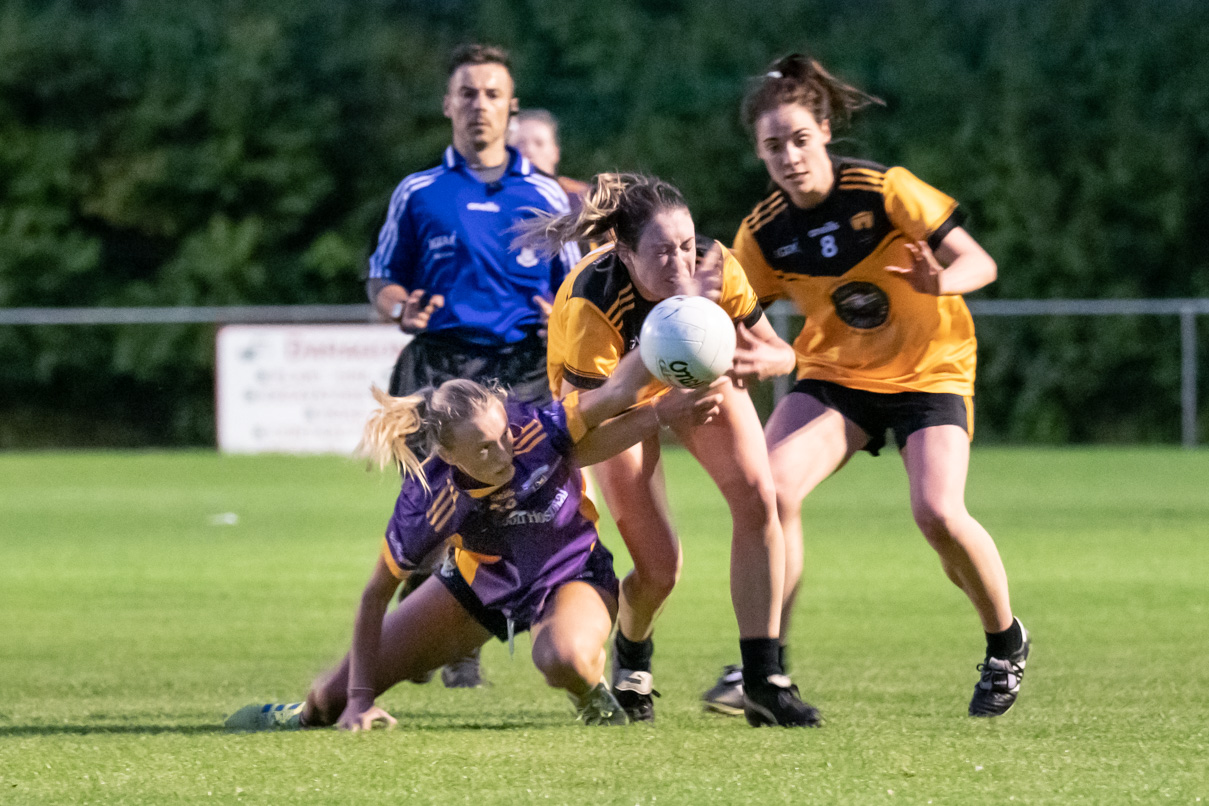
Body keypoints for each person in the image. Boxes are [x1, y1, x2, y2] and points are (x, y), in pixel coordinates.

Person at [702, 53, 1029, 719]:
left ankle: (1005, 641)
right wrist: (707, 323)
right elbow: (738, 320)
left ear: (823, 128)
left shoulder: (884, 190)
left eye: (798, 138)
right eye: (772, 147)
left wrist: (940, 280)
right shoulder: (762, 232)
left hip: (929, 367)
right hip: (835, 375)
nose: (788, 156)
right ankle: (763, 669)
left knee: (937, 513)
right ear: (758, 154)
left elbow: (979, 261)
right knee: (770, 493)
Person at [224, 352, 727, 731]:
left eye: (502, 435)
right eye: (483, 448)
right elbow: (374, 595)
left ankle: (593, 697)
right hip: (476, 591)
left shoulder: (533, 426)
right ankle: (296, 713)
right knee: (328, 702)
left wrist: (669, 357)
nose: (503, 452)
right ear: (447, 453)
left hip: (572, 573)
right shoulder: (429, 500)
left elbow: (618, 393)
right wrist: (358, 701)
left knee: (563, 658)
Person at [526, 172, 822, 727]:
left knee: (759, 499)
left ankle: (764, 679)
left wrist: (771, 362)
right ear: (623, 250)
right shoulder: (594, 303)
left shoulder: (715, 267)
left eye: (687, 244)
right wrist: (660, 412)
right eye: (662, 252)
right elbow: (577, 445)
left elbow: (782, 353)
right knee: (661, 568)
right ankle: (633, 659)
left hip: (696, 380)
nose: (683, 265)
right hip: (615, 402)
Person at [365, 44, 581, 687]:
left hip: (517, 370)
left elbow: (578, 294)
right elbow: (382, 278)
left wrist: (561, 320)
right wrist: (399, 305)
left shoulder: (544, 194)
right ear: (448, 105)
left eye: (491, 94)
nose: (478, 105)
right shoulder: (420, 192)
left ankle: (465, 644)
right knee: (430, 515)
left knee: (507, 513)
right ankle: (424, 623)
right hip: (437, 370)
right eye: (467, 93)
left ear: (510, 107)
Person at [507, 109, 591, 204]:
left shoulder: (583, 197)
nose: (529, 150)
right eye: (520, 143)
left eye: (539, 143)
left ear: (555, 152)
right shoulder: (497, 196)